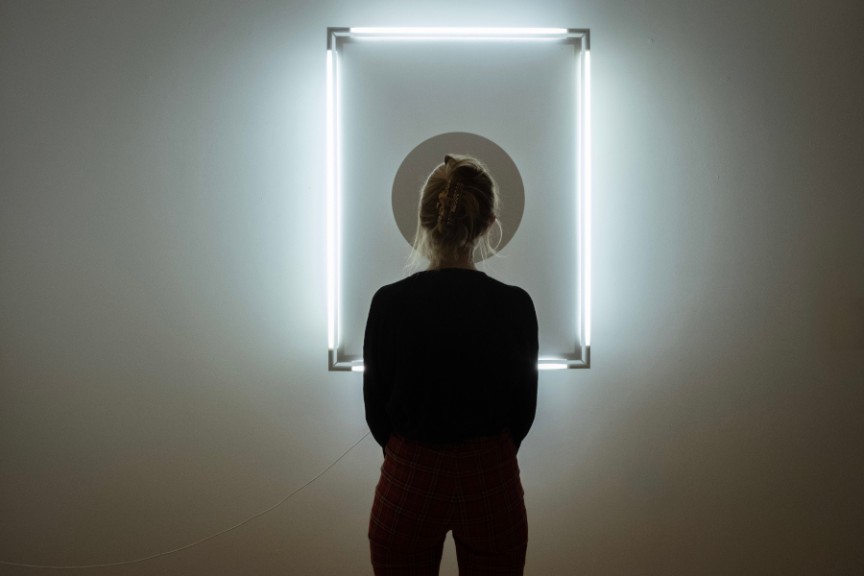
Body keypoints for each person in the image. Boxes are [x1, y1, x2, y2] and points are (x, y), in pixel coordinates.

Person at [363, 154, 539, 575]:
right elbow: (523, 411)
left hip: (409, 473)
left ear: (426, 220)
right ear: (488, 222)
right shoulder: (515, 305)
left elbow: (376, 409)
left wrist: (414, 452)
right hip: (490, 473)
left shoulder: (389, 303)